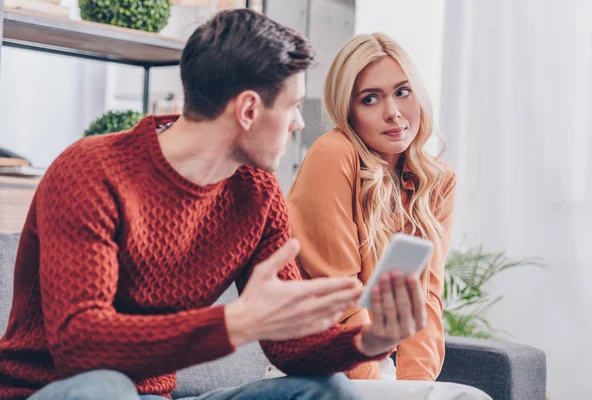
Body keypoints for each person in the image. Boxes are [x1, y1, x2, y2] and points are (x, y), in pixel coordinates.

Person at [0, 10, 431, 400]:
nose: (299, 123)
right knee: (105, 387)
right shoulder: (91, 171)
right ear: (248, 110)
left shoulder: (258, 195)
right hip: (57, 392)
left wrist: (367, 342)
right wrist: (237, 322)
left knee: (327, 390)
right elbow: (81, 347)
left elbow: (289, 350)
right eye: (293, 106)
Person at [288, 33, 456, 382]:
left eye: (402, 92)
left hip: (377, 371)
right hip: (321, 368)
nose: (393, 113)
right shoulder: (333, 155)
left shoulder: (435, 180)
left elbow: (425, 302)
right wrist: (372, 392)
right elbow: (339, 301)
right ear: (348, 111)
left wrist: (414, 392)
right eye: (370, 99)